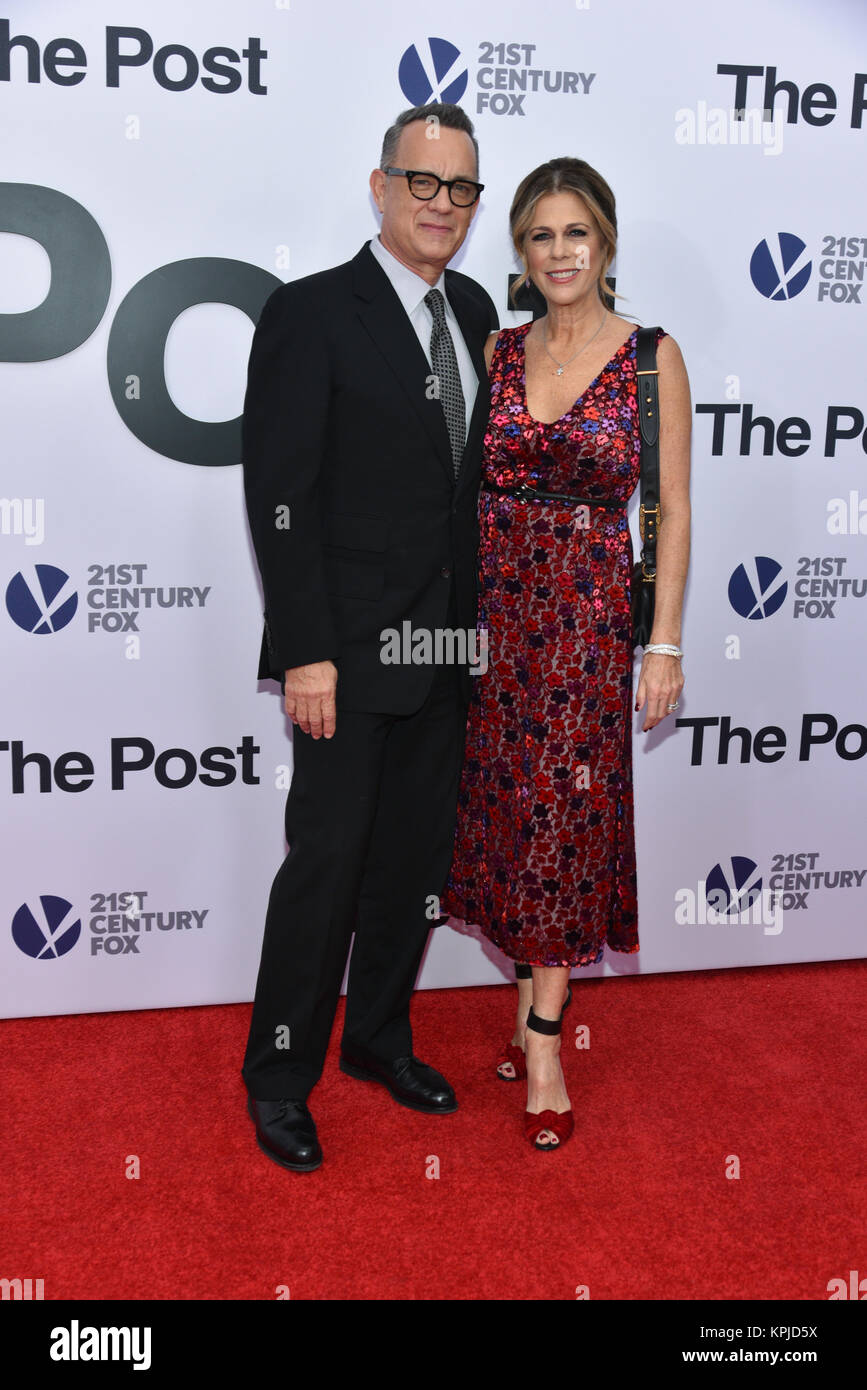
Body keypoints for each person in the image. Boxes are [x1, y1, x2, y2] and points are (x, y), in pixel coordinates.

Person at [239, 103, 497, 1171]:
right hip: (343, 657)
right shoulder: (310, 312)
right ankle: (280, 1074)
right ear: (380, 186)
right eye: (423, 183)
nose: (443, 205)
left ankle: (379, 1041)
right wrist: (306, 649)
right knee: (328, 867)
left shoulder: (479, 308)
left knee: (412, 867)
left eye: (462, 190)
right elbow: (279, 492)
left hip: (447, 654)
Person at [443, 157, 691, 1151]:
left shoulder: (651, 355)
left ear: (608, 242)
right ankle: (523, 1006)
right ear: (521, 248)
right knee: (506, 815)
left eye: (575, 234)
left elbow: (669, 511)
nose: (559, 253)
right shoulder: (497, 351)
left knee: (564, 820)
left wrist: (663, 639)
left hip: (588, 625)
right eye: (541, 236)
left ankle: (545, 1036)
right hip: (494, 623)